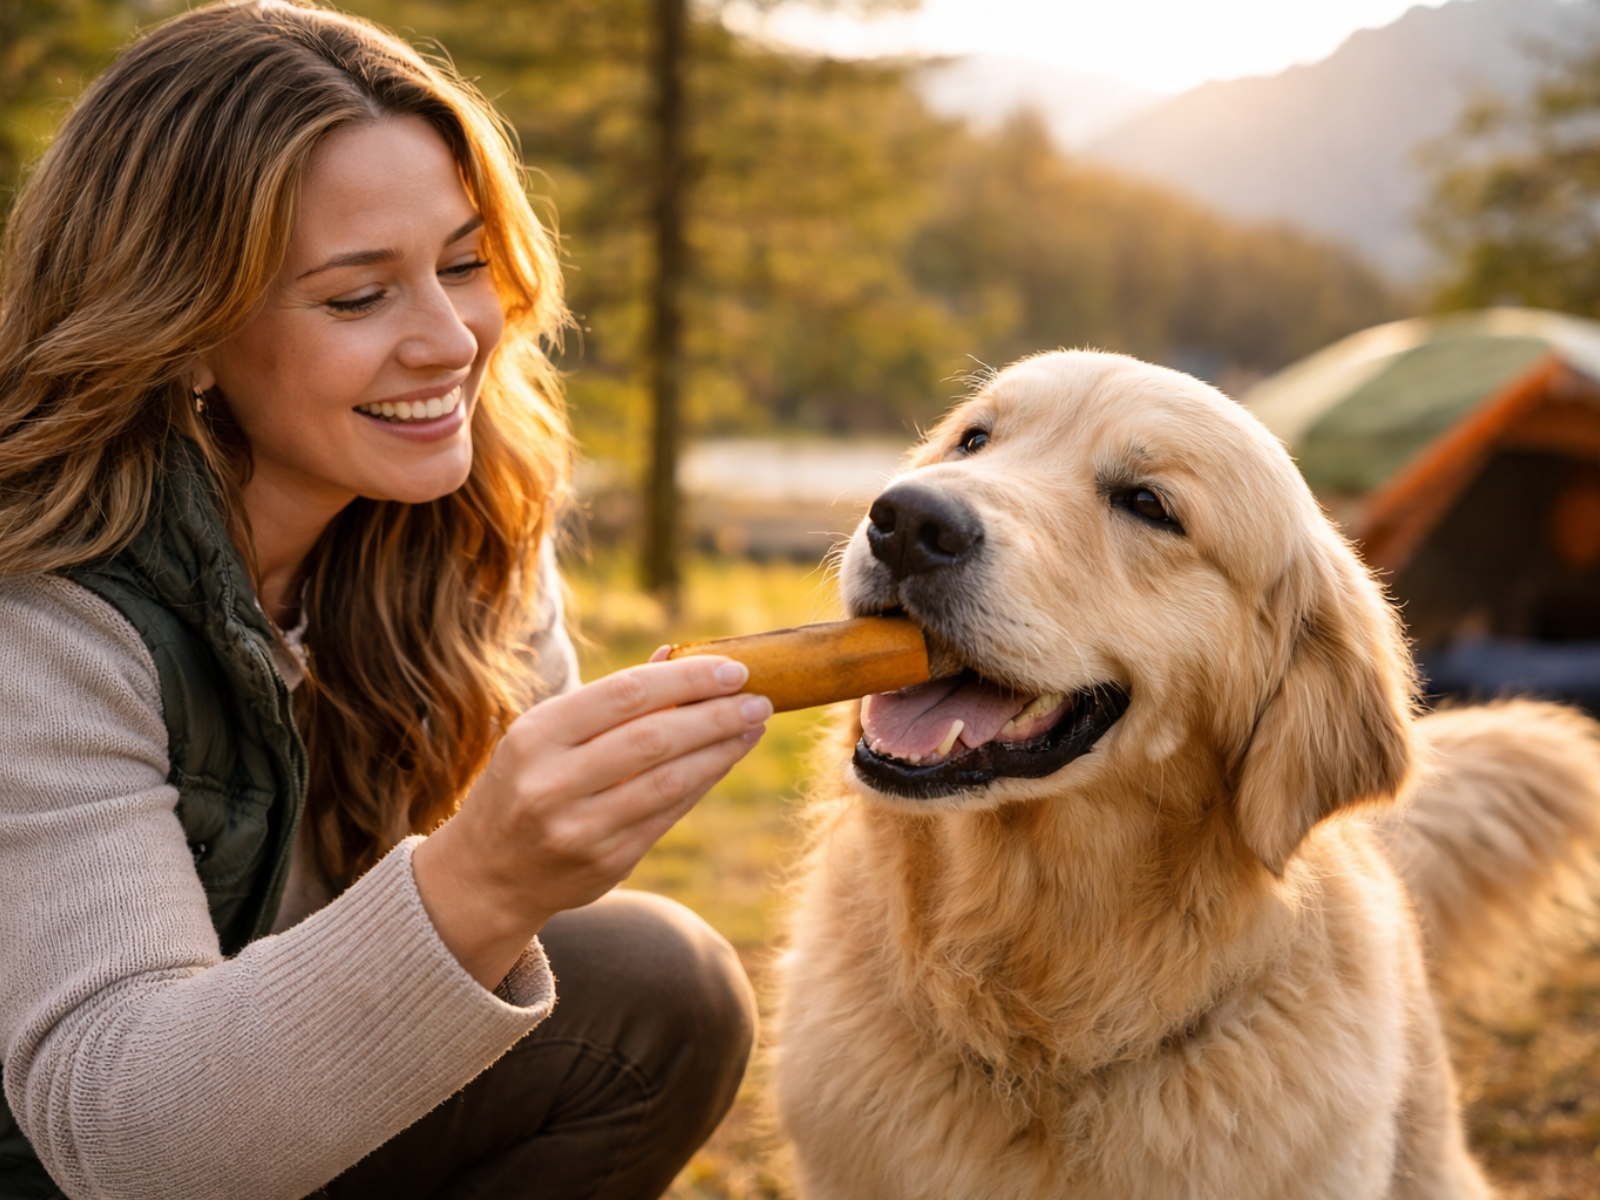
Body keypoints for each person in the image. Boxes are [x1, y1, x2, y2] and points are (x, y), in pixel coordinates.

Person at [0, 3, 769, 1197]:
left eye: (463, 265)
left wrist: (540, 848)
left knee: (655, 991)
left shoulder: (469, 516)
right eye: (359, 297)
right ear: (182, 332)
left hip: (267, 1124)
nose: (450, 342)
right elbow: (121, 1144)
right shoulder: (42, 613)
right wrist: (482, 880)